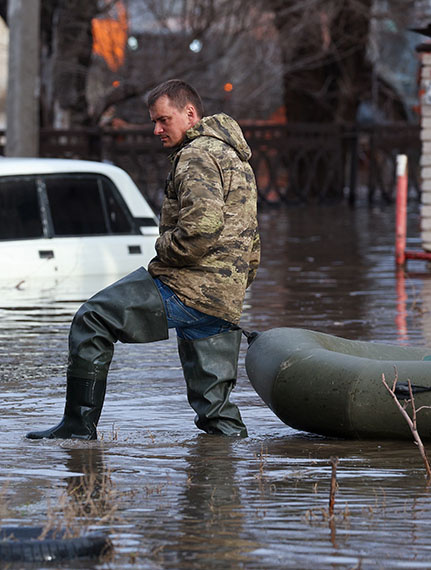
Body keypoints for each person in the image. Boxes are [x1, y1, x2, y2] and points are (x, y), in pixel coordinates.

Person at [26, 79, 260, 440]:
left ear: (190, 113)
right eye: (154, 121)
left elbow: (200, 230)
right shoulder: (235, 157)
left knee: (92, 319)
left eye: (163, 120)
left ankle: (77, 430)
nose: (156, 129)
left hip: (188, 287)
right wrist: (232, 290)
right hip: (223, 297)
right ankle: (221, 484)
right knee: (216, 411)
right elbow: (252, 241)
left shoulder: (197, 155)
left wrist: (162, 248)